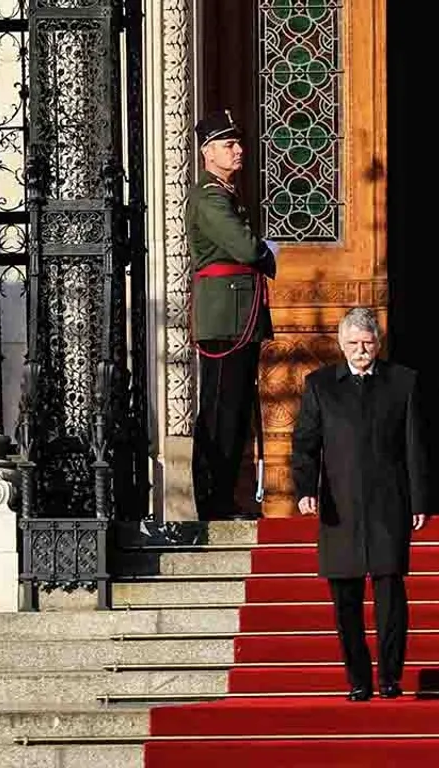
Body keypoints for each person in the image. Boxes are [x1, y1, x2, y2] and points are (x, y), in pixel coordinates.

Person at [291, 307, 429, 701]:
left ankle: (389, 676)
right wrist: (305, 489)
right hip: (341, 508)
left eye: (367, 342)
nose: (360, 350)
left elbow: (414, 447)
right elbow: (305, 444)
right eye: (352, 343)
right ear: (341, 344)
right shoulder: (320, 385)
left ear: (378, 343)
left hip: (389, 505)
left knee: (390, 597)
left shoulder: (403, 382)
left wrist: (419, 499)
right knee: (346, 602)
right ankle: (358, 679)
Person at [187, 109, 279, 521]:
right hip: (226, 319)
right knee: (221, 410)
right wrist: (266, 252)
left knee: (235, 409)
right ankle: (214, 500)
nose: (238, 150)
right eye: (228, 144)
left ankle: (225, 496)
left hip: (237, 317)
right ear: (207, 153)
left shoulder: (224, 194)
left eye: (238, 143)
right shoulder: (209, 196)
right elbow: (243, 248)